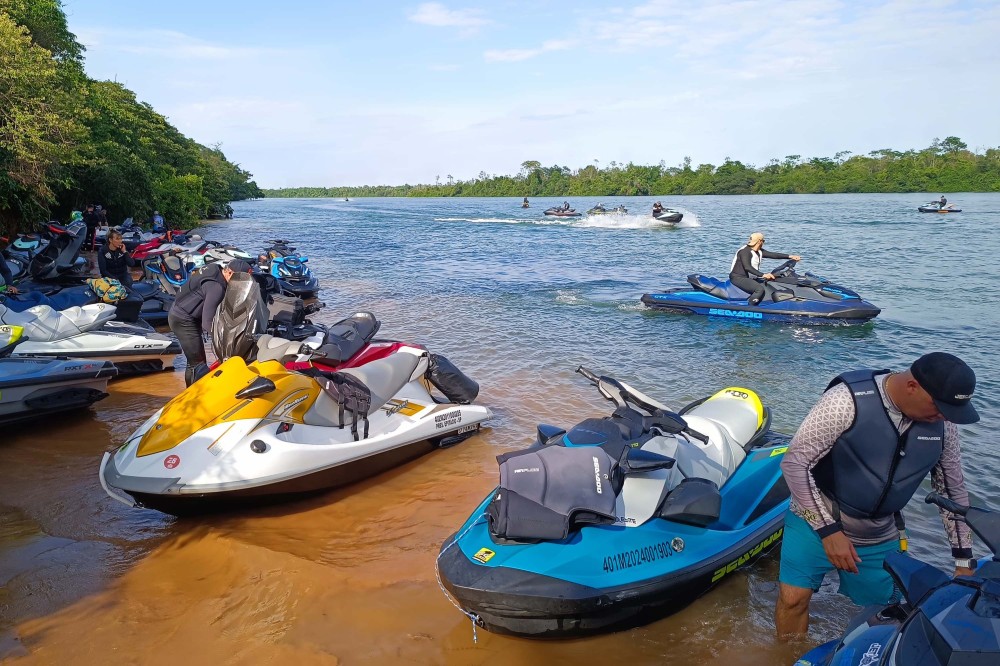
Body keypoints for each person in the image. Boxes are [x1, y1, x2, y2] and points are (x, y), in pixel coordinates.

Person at [774, 352, 979, 639]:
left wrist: (963, 561)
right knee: (793, 599)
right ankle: (787, 656)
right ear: (912, 386)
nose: (944, 416)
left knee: (885, 612)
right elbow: (795, 463)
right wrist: (828, 531)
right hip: (815, 518)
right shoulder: (846, 400)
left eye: (950, 410)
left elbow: (952, 490)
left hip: (879, 532)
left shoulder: (944, 425)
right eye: (939, 406)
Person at [168, 258, 252, 385]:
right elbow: (207, 322)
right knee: (198, 364)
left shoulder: (215, 269)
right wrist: (226, 342)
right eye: (240, 278)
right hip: (183, 320)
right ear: (229, 272)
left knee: (193, 361)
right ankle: (195, 396)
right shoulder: (216, 288)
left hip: (184, 312)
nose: (241, 283)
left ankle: (191, 392)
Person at [729, 232, 801, 305]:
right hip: (738, 278)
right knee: (759, 289)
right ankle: (751, 307)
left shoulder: (758, 251)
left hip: (750, 277)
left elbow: (773, 255)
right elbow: (747, 267)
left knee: (769, 283)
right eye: (763, 241)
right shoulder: (744, 251)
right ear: (760, 241)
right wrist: (763, 275)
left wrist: (790, 256)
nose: (763, 243)